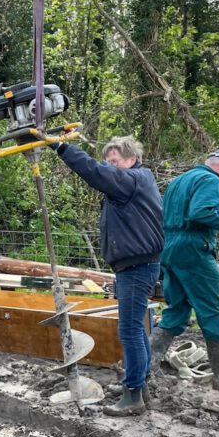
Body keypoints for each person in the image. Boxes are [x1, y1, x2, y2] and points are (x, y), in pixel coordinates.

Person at [50, 136, 163, 415]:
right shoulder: (133, 184)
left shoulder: (132, 180)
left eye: (115, 162)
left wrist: (61, 146)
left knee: (130, 330)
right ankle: (139, 383)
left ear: (131, 159)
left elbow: (94, 172)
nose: (110, 166)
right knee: (135, 329)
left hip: (137, 268)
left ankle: (133, 396)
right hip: (134, 266)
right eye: (108, 161)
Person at [148, 148, 219, 390]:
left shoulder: (178, 181)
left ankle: (145, 368)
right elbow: (201, 213)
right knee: (213, 311)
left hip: (169, 248)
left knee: (178, 309)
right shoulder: (209, 179)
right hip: (194, 250)